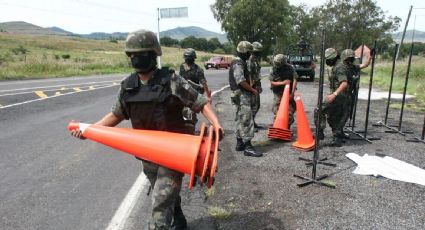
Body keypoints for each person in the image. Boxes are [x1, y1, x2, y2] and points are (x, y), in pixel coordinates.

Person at [69, 29, 223, 230]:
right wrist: (89, 130)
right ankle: (178, 219)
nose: (136, 58)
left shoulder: (171, 81)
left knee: (159, 207)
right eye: (132, 54)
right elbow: (116, 115)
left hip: (174, 155)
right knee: (166, 197)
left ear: (153, 55)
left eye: (140, 54)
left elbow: (200, 103)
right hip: (147, 157)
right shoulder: (128, 86)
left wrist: (216, 123)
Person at [229, 41, 262, 157]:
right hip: (242, 96)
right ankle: (248, 146)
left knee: (240, 119)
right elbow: (241, 81)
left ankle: (239, 143)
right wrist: (253, 90)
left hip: (238, 95)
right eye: (248, 52)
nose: (250, 54)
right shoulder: (238, 63)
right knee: (247, 120)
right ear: (244, 51)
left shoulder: (239, 62)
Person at [179, 48, 210, 133]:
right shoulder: (182, 67)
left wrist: (208, 95)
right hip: (182, 94)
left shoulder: (198, 69)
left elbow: (204, 83)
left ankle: (190, 132)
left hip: (192, 96)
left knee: (190, 115)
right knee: (181, 114)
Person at [269, 54, 298, 128]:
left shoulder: (290, 68)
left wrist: (292, 93)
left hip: (288, 93)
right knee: (277, 111)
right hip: (278, 93)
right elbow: (272, 82)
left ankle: (287, 127)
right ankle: (278, 128)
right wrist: (282, 83)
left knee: (289, 111)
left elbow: (295, 79)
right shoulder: (273, 68)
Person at [247, 41, 263, 131]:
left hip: (256, 85)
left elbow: (257, 74)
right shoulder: (250, 61)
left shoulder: (256, 60)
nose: (258, 53)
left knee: (257, 105)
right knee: (253, 106)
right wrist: (251, 88)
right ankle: (250, 125)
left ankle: (253, 122)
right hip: (251, 86)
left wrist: (259, 84)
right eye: (257, 52)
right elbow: (249, 75)